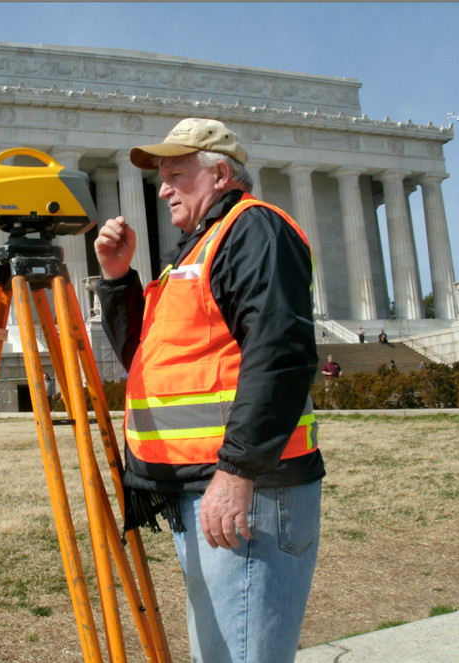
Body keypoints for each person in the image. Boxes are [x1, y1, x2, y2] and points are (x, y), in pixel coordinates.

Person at [95, 117, 324, 663]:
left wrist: (238, 471)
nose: (163, 189)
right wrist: (119, 280)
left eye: (175, 174)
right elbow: (153, 363)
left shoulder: (254, 230)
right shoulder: (195, 250)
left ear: (221, 173)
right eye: (162, 178)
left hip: (248, 491)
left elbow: (280, 354)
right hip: (206, 489)